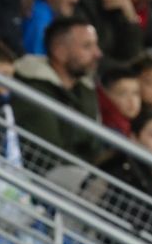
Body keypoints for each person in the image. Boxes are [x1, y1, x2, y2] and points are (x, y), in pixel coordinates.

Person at [12, 16, 106, 173]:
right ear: (60, 52)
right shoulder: (34, 91)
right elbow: (48, 156)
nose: (98, 53)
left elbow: (94, 146)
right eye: (87, 46)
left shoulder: (85, 89)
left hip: (81, 173)